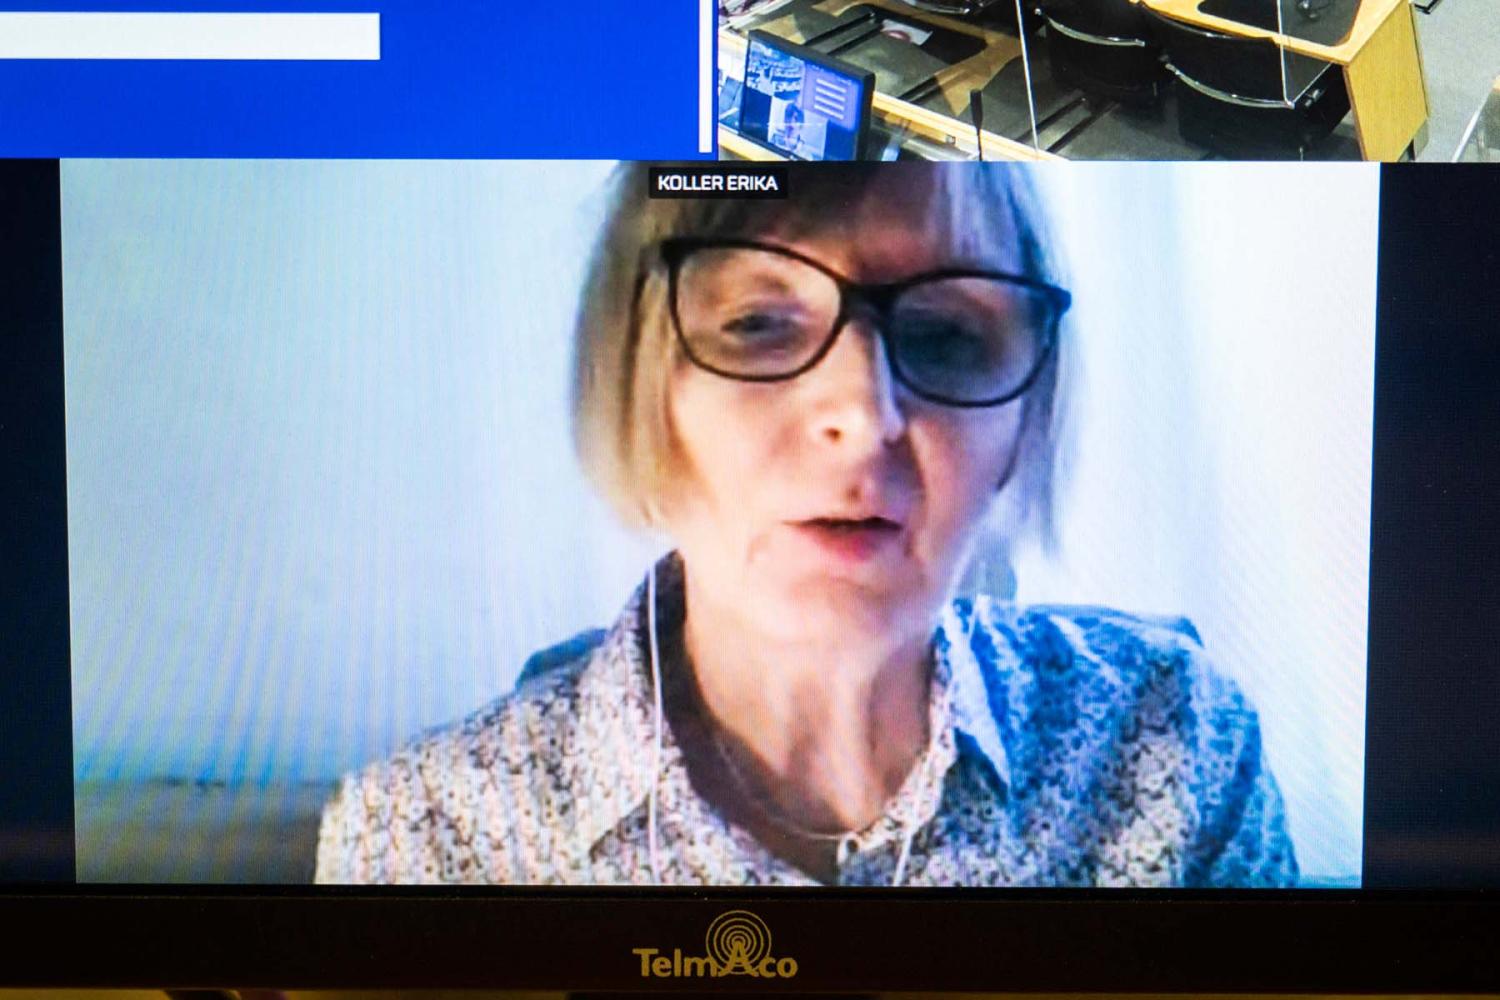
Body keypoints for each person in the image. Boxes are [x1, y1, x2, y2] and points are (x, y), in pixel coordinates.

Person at [315, 163, 1299, 887]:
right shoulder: (421, 837)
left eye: (945, 335)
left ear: (1022, 424)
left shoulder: (1175, 745)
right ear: (639, 384)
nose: (863, 415)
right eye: (758, 324)